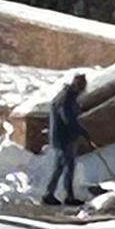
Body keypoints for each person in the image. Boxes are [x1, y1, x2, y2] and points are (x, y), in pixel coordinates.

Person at [42, 73, 89, 207]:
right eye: (82, 86)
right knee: (69, 167)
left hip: (61, 137)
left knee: (59, 167)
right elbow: (68, 119)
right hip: (64, 137)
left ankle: (49, 194)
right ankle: (69, 196)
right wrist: (81, 131)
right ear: (78, 85)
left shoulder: (67, 96)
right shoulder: (66, 99)